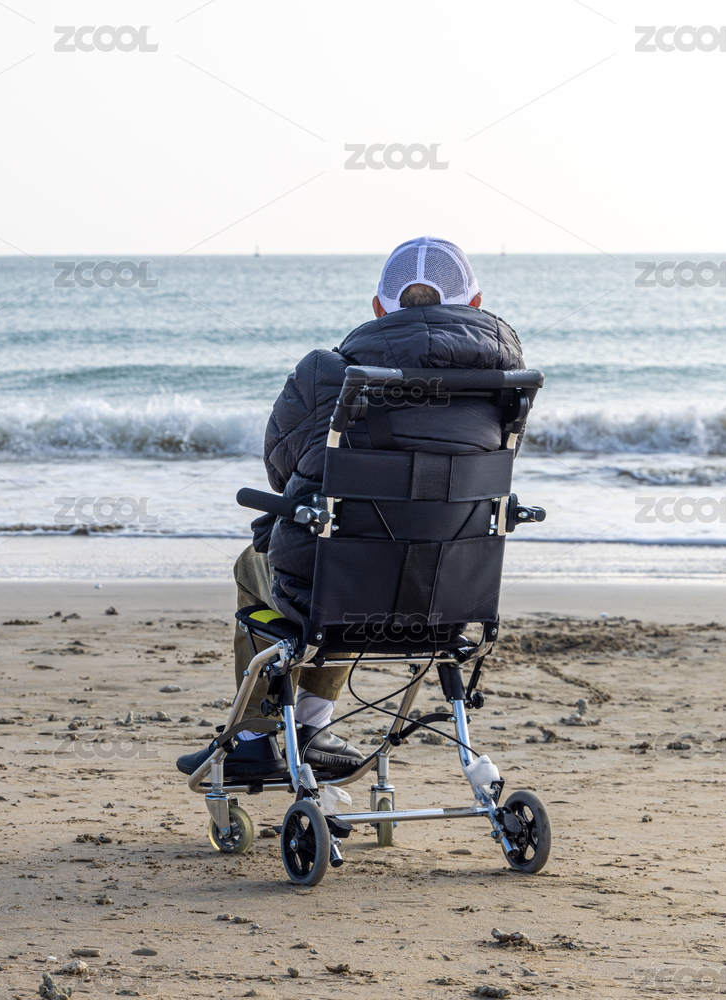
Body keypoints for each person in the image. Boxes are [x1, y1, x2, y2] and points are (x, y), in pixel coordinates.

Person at [178, 237, 526, 781]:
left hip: (343, 589)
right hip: (451, 592)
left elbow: (280, 470)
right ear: (475, 303)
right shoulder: (505, 383)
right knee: (352, 553)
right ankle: (313, 726)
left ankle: (254, 737)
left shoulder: (328, 371)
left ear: (379, 308)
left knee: (271, 561)